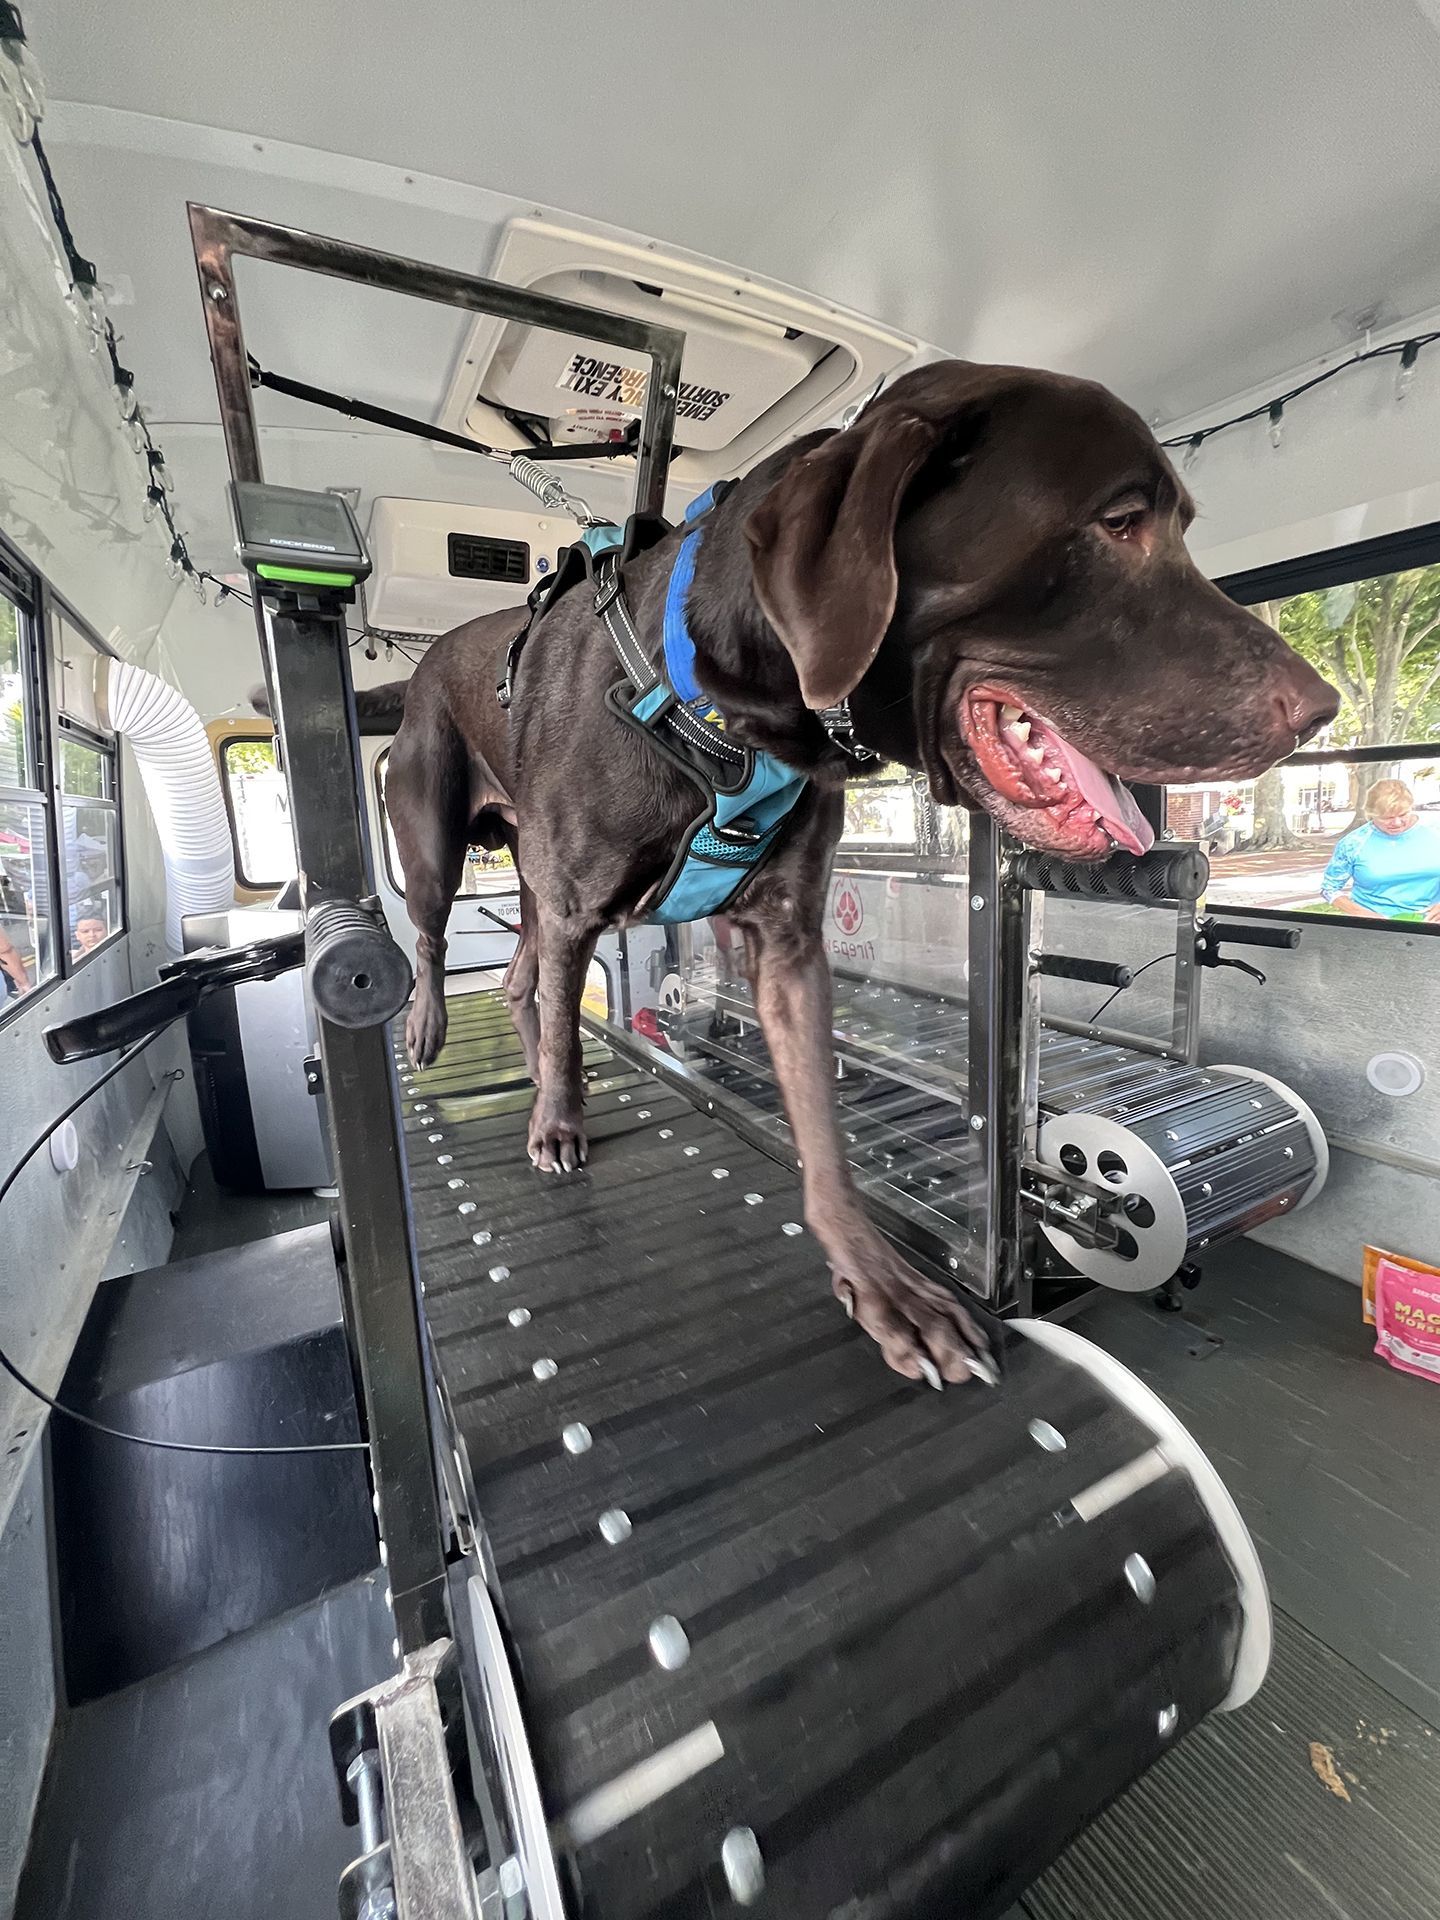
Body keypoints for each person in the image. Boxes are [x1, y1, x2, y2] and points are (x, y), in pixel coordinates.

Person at [1319, 779, 1440, 921]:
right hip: (1373, 924)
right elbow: (1329, 889)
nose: (1397, 823)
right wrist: (1364, 915)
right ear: (1371, 814)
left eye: (1403, 814)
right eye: (1387, 818)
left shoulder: (1435, 832)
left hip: (1431, 924)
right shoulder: (1353, 843)